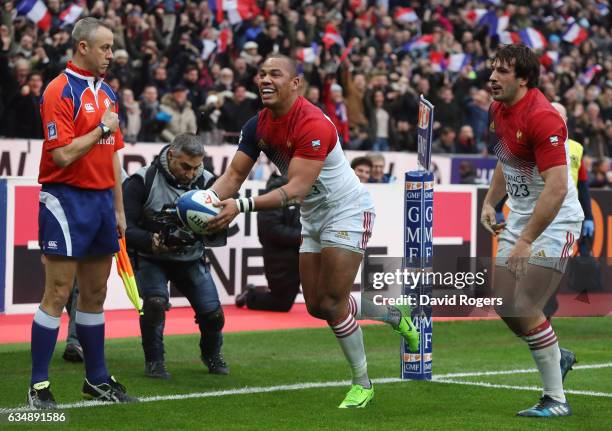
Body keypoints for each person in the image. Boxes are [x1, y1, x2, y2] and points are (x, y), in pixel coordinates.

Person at [206, 54, 418, 409]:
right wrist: (206, 202)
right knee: (319, 306)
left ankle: (362, 383)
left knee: (333, 301)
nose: (265, 80)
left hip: (346, 211)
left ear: (295, 83)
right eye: (261, 74)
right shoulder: (256, 125)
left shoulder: (313, 123)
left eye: (275, 74)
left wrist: (239, 207)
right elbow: (232, 177)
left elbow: (296, 190)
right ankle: (394, 314)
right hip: (313, 217)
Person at [30, 17, 137, 409]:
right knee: (57, 293)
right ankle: (38, 385)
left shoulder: (108, 92)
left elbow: (113, 158)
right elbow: (62, 154)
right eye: (105, 47)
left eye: (112, 47)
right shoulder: (59, 89)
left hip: (101, 204)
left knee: (95, 294)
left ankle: (96, 380)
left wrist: (120, 209)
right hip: (65, 199)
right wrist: (102, 130)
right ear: (83, 47)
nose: (111, 54)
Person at [481, 44, 583, 418]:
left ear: (523, 78)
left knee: (524, 304)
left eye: (502, 71)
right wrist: (491, 201)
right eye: (492, 69)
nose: (492, 77)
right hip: (521, 217)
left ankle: (555, 399)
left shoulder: (543, 117)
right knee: (504, 303)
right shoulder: (497, 110)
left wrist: (525, 241)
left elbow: (556, 188)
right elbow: (504, 159)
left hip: (556, 220)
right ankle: (558, 356)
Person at [123, 133, 229, 378]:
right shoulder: (142, 180)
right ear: (170, 155)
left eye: (196, 167)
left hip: (191, 259)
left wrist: (209, 229)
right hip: (150, 257)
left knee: (213, 315)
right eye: (185, 166)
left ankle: (211, 353)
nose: (191, 174)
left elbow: (224, 230)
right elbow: (122, 227)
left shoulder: (210, 182)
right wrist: (152, 240)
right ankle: (155, 361)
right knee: (154, 305)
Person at [235, 174, 301, 312]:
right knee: (281, 303)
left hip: (303, 252)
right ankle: (249, 296)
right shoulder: (275, 192)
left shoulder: (308, 189)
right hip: (281, 255)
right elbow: (271, 229)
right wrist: (304, 238)